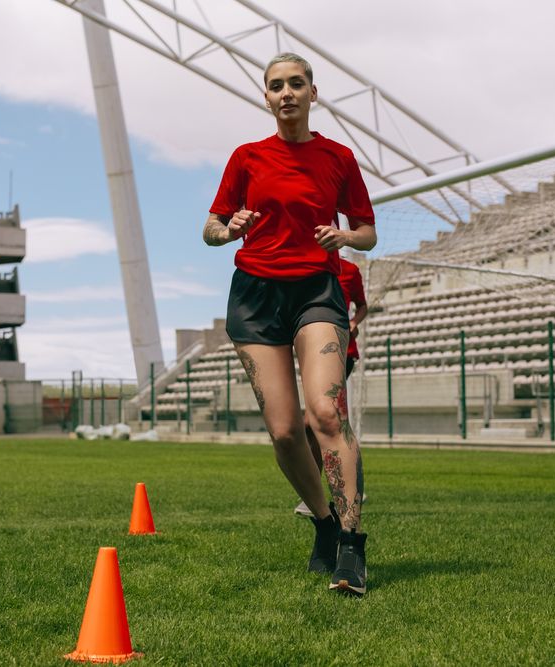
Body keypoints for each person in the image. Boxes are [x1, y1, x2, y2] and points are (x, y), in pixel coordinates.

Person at [202, 52, 376, 596]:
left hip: (317, 291)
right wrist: (229, 230)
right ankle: (323, 525)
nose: (286, 93)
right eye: (276, 85)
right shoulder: (246, 157)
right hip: (255, 297)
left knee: (325, 411)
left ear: (312, 92)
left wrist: (344, 239)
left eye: (295, 84)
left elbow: (368, 230)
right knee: (282, 430)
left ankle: (351, 547)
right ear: (266, 97)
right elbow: (209, 229)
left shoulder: (338, 158)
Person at [294, 256, 368, 518]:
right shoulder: (304, 266)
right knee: (313, 423)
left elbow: (362, 306)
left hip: (343, 351)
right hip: (313, 351)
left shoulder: (349, 270)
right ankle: (313, 493)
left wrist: (354, 323)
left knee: (324, 418)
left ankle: (348, 487)